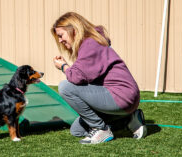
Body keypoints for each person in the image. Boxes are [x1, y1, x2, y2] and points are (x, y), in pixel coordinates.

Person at [51, 12, 147, 144]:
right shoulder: (92, 42)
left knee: (65, 87)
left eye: (61, 35)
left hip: (121, 95)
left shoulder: (90, 44)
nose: (60, 40)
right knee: (77, 130)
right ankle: (129, 119)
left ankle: (101, 129)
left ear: (73, 30)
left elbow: (76, 77)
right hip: (124, 97)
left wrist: (63, 66)